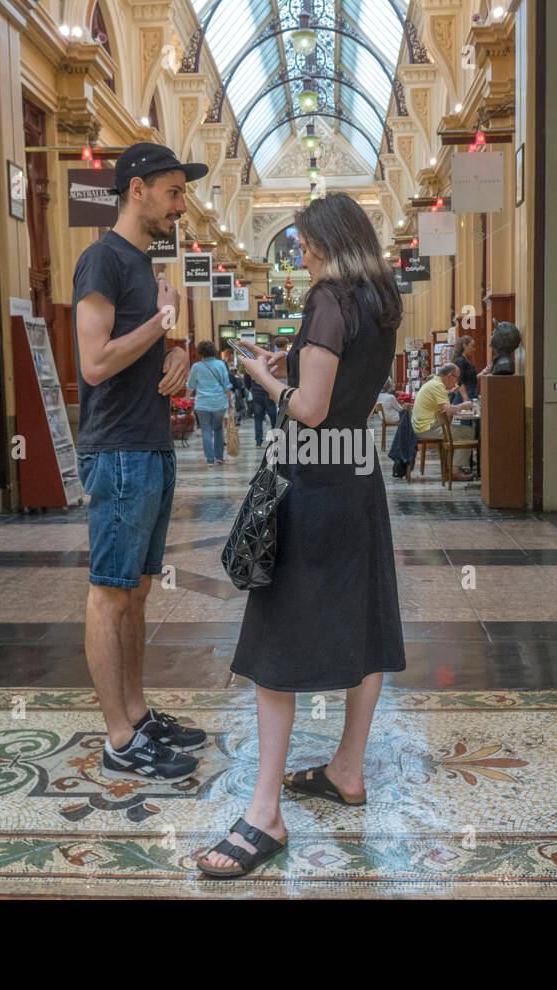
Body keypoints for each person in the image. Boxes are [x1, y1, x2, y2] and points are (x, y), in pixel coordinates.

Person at [195, 193, 406, 878]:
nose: (302, 254)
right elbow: (344, 390)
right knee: (367, 622)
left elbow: (310, 410)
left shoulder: (328, 297)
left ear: (330, 242)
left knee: (275, 640)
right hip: (358, 477)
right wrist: (293, 363)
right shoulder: (381, 298)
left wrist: (261, 376)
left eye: (307, 243)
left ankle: (264, 815)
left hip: (311, 483)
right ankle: (347, 768)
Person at [72, 142, 208, 782]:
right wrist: (161, 322)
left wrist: (175, 354)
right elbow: (94, 362)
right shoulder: (101, 259)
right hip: (119, 446)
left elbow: (150, 345)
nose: (182, 205)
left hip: (149, 442)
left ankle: (137, 711)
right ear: (138, 191)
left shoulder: (142, 261)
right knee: (109, 593)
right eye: (175, 192)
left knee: (137, 590)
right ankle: (120, 738)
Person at [411, 364, 474, 482]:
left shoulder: (434, 383)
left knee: (458, 432)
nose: (457, 381)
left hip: (422, 426)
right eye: (457, 378)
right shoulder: (438, 386)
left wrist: (450, 392)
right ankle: (455, 471)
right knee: (468, 432)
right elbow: (449, 410)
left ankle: (452, 467)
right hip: (426, 429)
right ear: (450, 376)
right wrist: (464, 405)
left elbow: (444, 407)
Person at [187, 340, 233, 465]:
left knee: (206, 430)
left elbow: (190, 385)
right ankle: (219, 457)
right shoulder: (220, 364)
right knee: (218, 429)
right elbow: (226, 385)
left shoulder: (196, 367)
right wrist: (230, 401)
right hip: (219, 402)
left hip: (202, 403)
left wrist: (187, 398)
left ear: (200, 352)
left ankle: (210, 459)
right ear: (214, 351)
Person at [452, 335, 480, 400]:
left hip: (471, 392)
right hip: (465, 395)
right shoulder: (460, 361)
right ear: (465, 345)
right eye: (472, 346)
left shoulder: (466, 360)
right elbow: (460, 381)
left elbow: (471, 378)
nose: (473, 349)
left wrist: (484, 372)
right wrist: (465, 399)